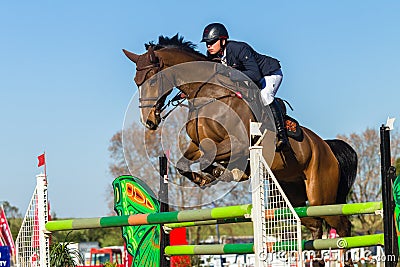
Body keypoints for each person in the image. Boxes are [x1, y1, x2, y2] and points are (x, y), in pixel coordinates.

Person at [201, 22, 289, 151]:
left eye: (212, 42)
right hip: (249, 78)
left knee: (265, 96)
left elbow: (255, 75)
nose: (209, 46)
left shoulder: (239, 49)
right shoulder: (213, 55)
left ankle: (282, 135)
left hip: (269, 73)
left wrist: (230, 73)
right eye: (207, 43)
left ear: (223, 40)